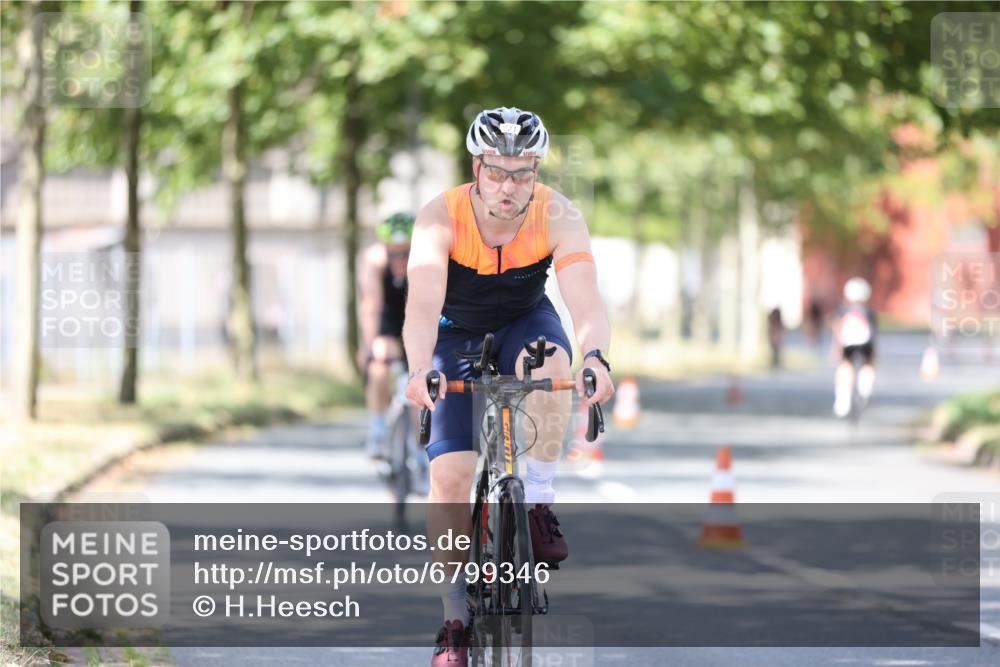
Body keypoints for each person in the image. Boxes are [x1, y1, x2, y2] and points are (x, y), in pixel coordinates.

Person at [402, 107, 615, 666]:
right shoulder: (438, 217)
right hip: (455, 331)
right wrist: (419, 365)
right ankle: (454, 619)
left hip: (525, 317)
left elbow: (586, 302)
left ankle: (538, 498)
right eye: (497, 171)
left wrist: (596, 357)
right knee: (449, 478)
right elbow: (422, 305)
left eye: (522, 172)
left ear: (537, 170)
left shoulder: (559, 213)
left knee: (555, 367)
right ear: (477, 167)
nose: (509, 185)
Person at [358, 213, 414, 459]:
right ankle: (378, 428)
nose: (400, 258)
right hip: (390, 320)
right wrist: (368, 347)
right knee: (379, 358)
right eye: (395, 252)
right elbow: (371, 306)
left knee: (424, 378)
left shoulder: (425, 259)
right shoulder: (374, 261)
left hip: (417, 318)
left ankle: (420, 449)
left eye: (406, 252)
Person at [832, 277, 878, 418]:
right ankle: (866, 386)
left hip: (847, 344)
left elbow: (837, 332)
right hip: (866, 343)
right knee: (868, 363)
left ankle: (843, 397)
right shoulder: (869, 312)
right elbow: (874, 335)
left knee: (845, 366)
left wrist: (835, 350)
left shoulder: (842, 310)